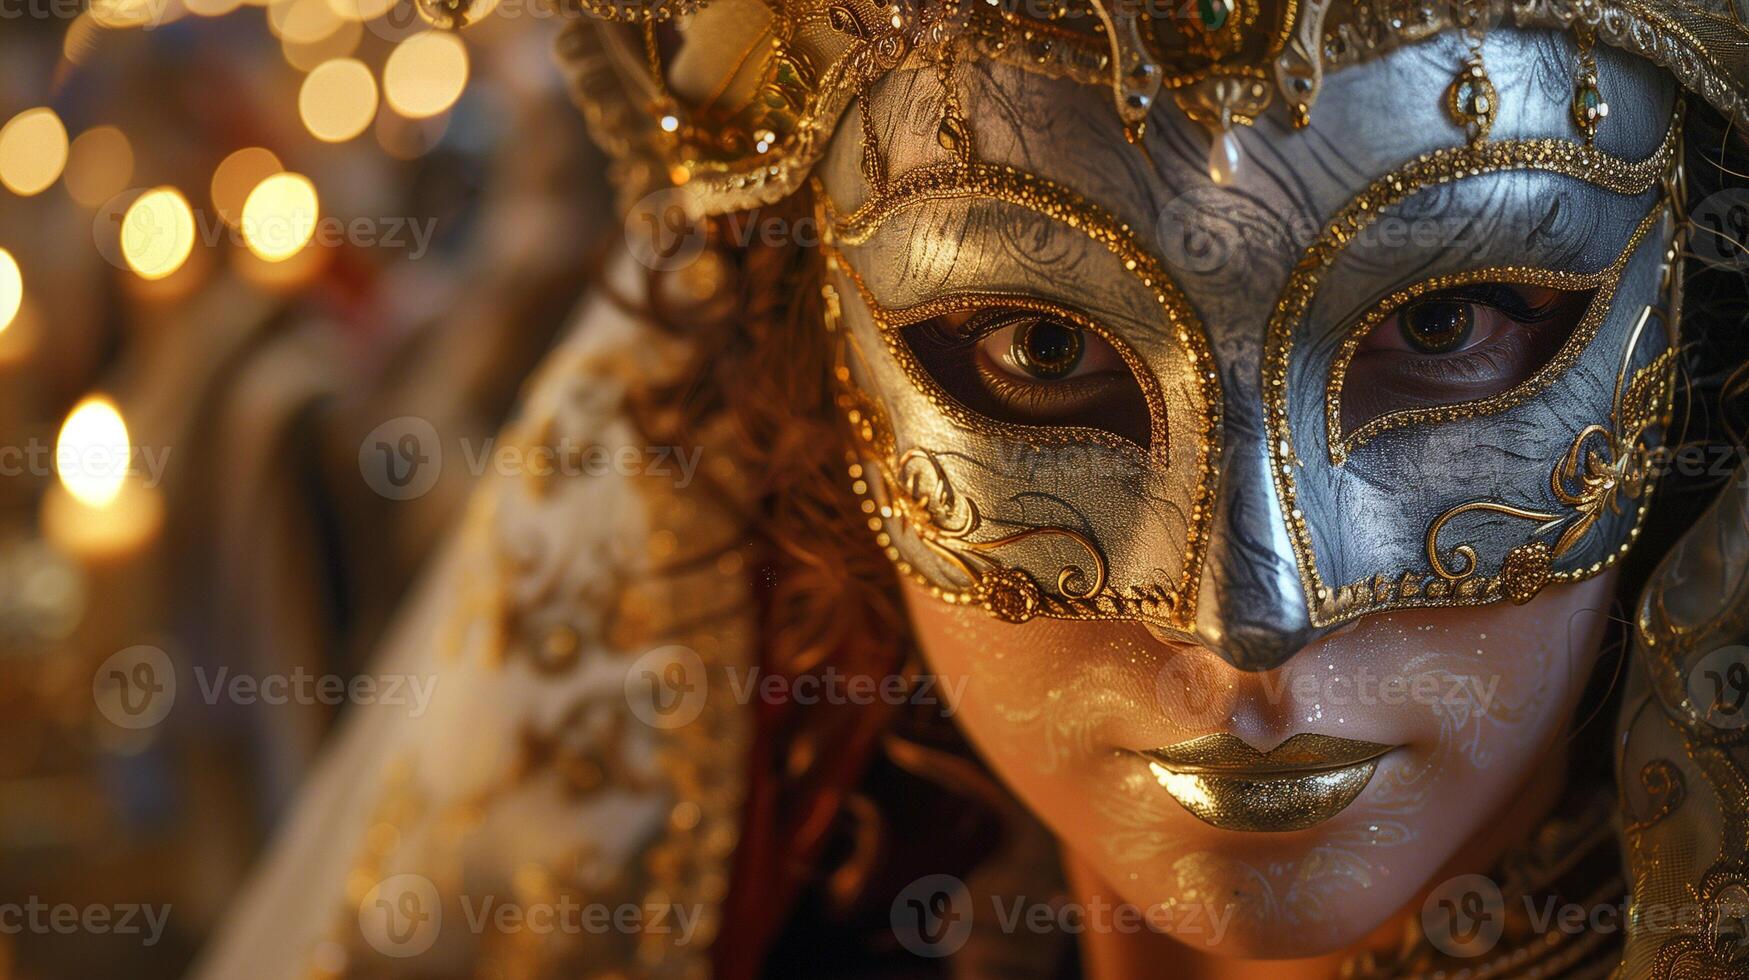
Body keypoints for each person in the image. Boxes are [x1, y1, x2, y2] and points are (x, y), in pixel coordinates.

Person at [200, 1, 1749, 976]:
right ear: (807, 389)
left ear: (1699, 340)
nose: (1246, 615)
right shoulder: (804, 908)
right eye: (1032, 348)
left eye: (1441, 325)